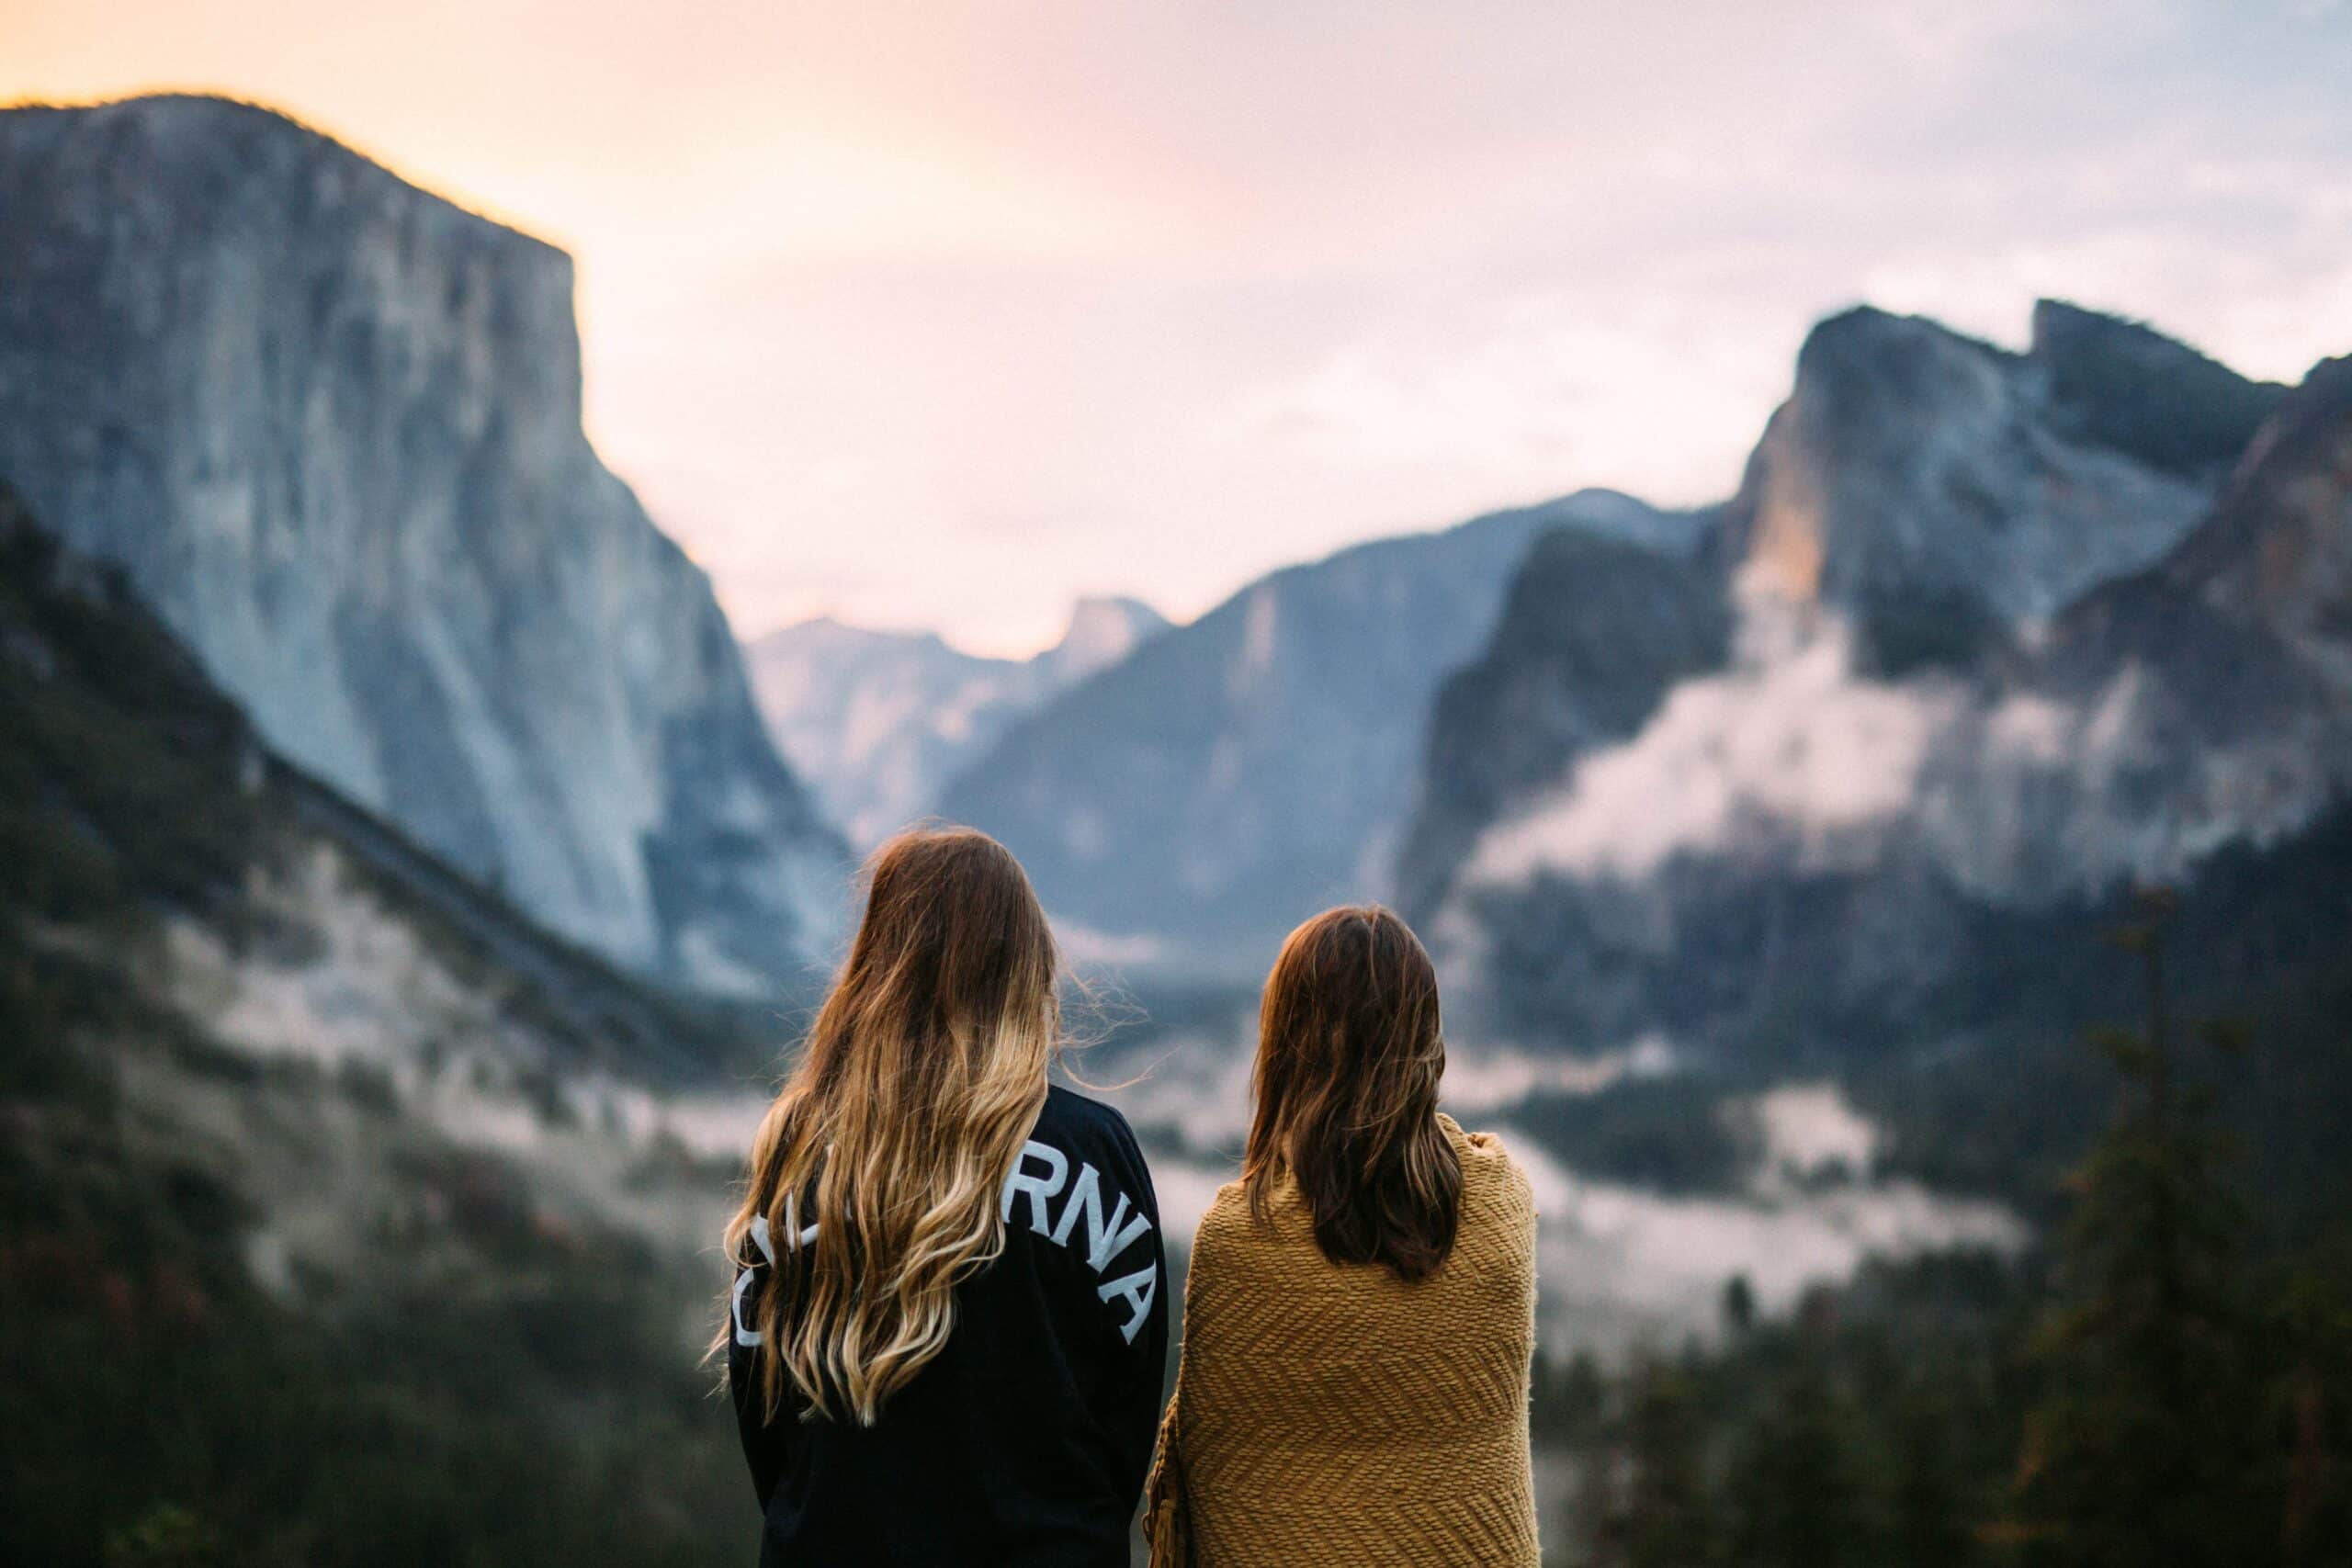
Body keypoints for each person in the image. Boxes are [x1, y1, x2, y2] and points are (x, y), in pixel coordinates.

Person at [721, 827, 1169, 1567]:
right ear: (1029, 971)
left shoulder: (798, 1152)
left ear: (875, 967)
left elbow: (762, 1412)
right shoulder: (1095, 1150)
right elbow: (1127, 1414)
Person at [1145, 905, 1539, 1567]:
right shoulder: (1501, 1207)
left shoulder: (1239, 1242)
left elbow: (1214, 1476)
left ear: (1284, 1046)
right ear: (1428, 1043)